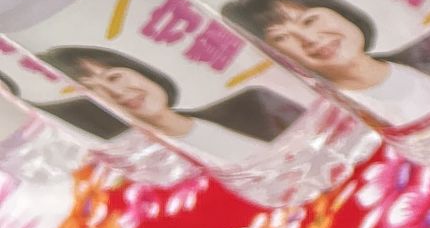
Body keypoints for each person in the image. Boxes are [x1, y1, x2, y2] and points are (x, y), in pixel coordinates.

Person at [221, 0, 430, 126]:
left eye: (309, 20)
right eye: (281, 38)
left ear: (339, 11)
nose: (310, 39)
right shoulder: (343, 125)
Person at [43, 46, 304, 161]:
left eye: (114, 77)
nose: (117, 92)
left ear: (141, 71)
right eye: (94, 91)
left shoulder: (252, 101)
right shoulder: (157, 167)